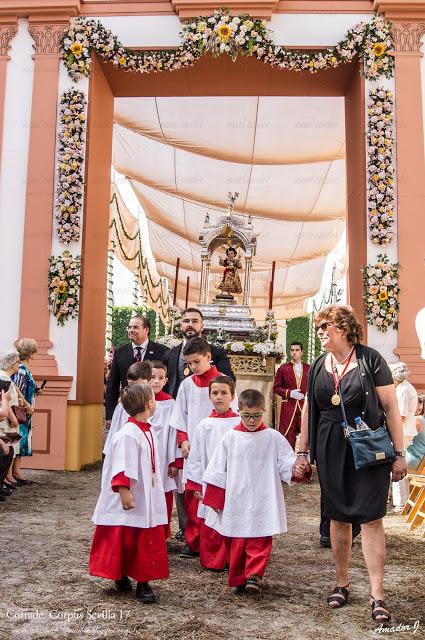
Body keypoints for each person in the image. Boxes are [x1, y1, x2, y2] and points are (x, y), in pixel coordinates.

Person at [296, 305, 406, 622]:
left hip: (368, 449)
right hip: (331, 449)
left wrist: (399, 454)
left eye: (325, 326)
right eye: (318, 326)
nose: (319, 331)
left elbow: (391, 409)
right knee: (338, 515)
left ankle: (378, 595)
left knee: (371, 519)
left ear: (343, 329)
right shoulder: (318, 365)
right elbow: (307, 412)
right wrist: (303, 453)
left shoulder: (371, 360)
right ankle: (341, 583)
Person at [202, 389, 296, 594]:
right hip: (236, 496)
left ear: (263, 411)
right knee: (235, 538)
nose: (251, 420)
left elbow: (286, 462)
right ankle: (238, 577)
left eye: (256, 415)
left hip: (263, 495)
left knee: (260, 536)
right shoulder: (230, 438)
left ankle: (254, 575)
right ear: (239, 411)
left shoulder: (273, 437)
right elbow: (218, 468)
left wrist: (297, 469)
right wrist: (215, 497)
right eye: (246, 416)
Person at [89, 383, 169, 604]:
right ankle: (121, 575)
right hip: (130, 496)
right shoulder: (128, 434)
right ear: (149, 404)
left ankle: (143, 579)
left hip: (147, 495)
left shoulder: (148, 429)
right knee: (124, 537)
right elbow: (122, 465)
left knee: (143, 538)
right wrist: (124, 491)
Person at [163, 307, 235, 540]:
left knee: (215, 489)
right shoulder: (186, 384)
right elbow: (179, 415)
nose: (193, 367)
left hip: (217, 444)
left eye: (196, 362)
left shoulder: (221, 384)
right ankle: (191, 536)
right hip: (193, 447)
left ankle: (215, 535)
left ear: (208, 357)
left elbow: (233, 413)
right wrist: (182, 440)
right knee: (192, 492)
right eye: (189, 363)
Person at [185, 375, 240, 570]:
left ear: (232, 396)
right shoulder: (203, 425)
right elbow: (196, 458)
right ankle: (214, 559)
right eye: (214, 393)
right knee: (211, 519)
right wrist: (196, 485)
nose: (219, 397)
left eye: (224, 393)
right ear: (209, 396)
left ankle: (232, 557)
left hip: (234, 481)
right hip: (210, 483)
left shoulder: (240, 424)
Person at [105, 315, 169, 426]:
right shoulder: (120, 352)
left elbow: (166, 383)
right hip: (127, 409)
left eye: (135, 327)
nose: (131, 330)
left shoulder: (162, 351)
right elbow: (112, 384)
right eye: (129, 327)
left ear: (146, 329)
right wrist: (110, 415)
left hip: (154, 411)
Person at [148, 361, 181, 539]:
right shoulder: (139, 401)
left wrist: (174, 461)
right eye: (152, 377)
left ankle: (162, 532)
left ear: (166, 380)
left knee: (164, 493)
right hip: (145, 455)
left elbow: (174, 433)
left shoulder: (170, 403)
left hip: (163, 456)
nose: (156, 382)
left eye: (160, 378)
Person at [103, 361, 153, 459]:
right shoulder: (122, 407)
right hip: (124, 455)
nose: (134, 388)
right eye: (130, 384)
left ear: (148, 382)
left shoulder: (157, 405)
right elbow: (114, 434)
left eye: (138, 384)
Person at [389, 362, 418, 509]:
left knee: (397, 465)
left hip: (402, 431)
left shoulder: (402, 390)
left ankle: (400, 503)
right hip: (405, 430)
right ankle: (402, 500)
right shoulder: (405, 387)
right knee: (399, 464)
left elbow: (401, 415)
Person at [273, 341, 310, 451]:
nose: (294, 352)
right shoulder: (283, 368)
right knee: (287, 438)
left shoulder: (309, 368)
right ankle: (287, 464)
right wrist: (290, 393)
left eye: (297, 350)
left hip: (305, 407)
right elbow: (276, 388)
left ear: (302, 352)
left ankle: (307, 463)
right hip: (289, 408)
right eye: (292, 350)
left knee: (308, 435)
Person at [11, 338, 38, 484]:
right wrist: (26, 404)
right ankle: (14, 472)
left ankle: (16, 471)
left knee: (22, 440)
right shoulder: (22, 369)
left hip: (25, 410)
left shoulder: (23, 369)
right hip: (21, 410)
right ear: (31, 354)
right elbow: (17, 389)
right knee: (19, 440)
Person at [0, 350, 21, 489]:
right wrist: (14, 418)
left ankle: (4, 481)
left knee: (10, 450)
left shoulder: (7, 377)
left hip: (7, 416)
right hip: (6, 419)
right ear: (12, 364)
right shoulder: (4, 377)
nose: (19, 364)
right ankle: (4, 481)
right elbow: (4, 400)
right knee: (7, 449)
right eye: (18, 362)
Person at [406, 394, 425, 470]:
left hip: (410, 461)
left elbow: (402, 441)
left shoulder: (417, 420)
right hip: (421, 464)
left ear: (421, 405)